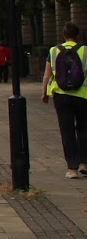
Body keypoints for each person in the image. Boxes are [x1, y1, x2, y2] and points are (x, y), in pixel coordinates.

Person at [42, 23, 87, 180]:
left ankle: (71, 169)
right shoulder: (85, 50)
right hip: (83, 95)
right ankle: (84, 164)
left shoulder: (54, 51)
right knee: (83, 128)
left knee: (66, 130)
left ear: (63, 35)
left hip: (61, 95)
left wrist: (45, 93)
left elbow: (47, 75)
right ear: (78, 35)